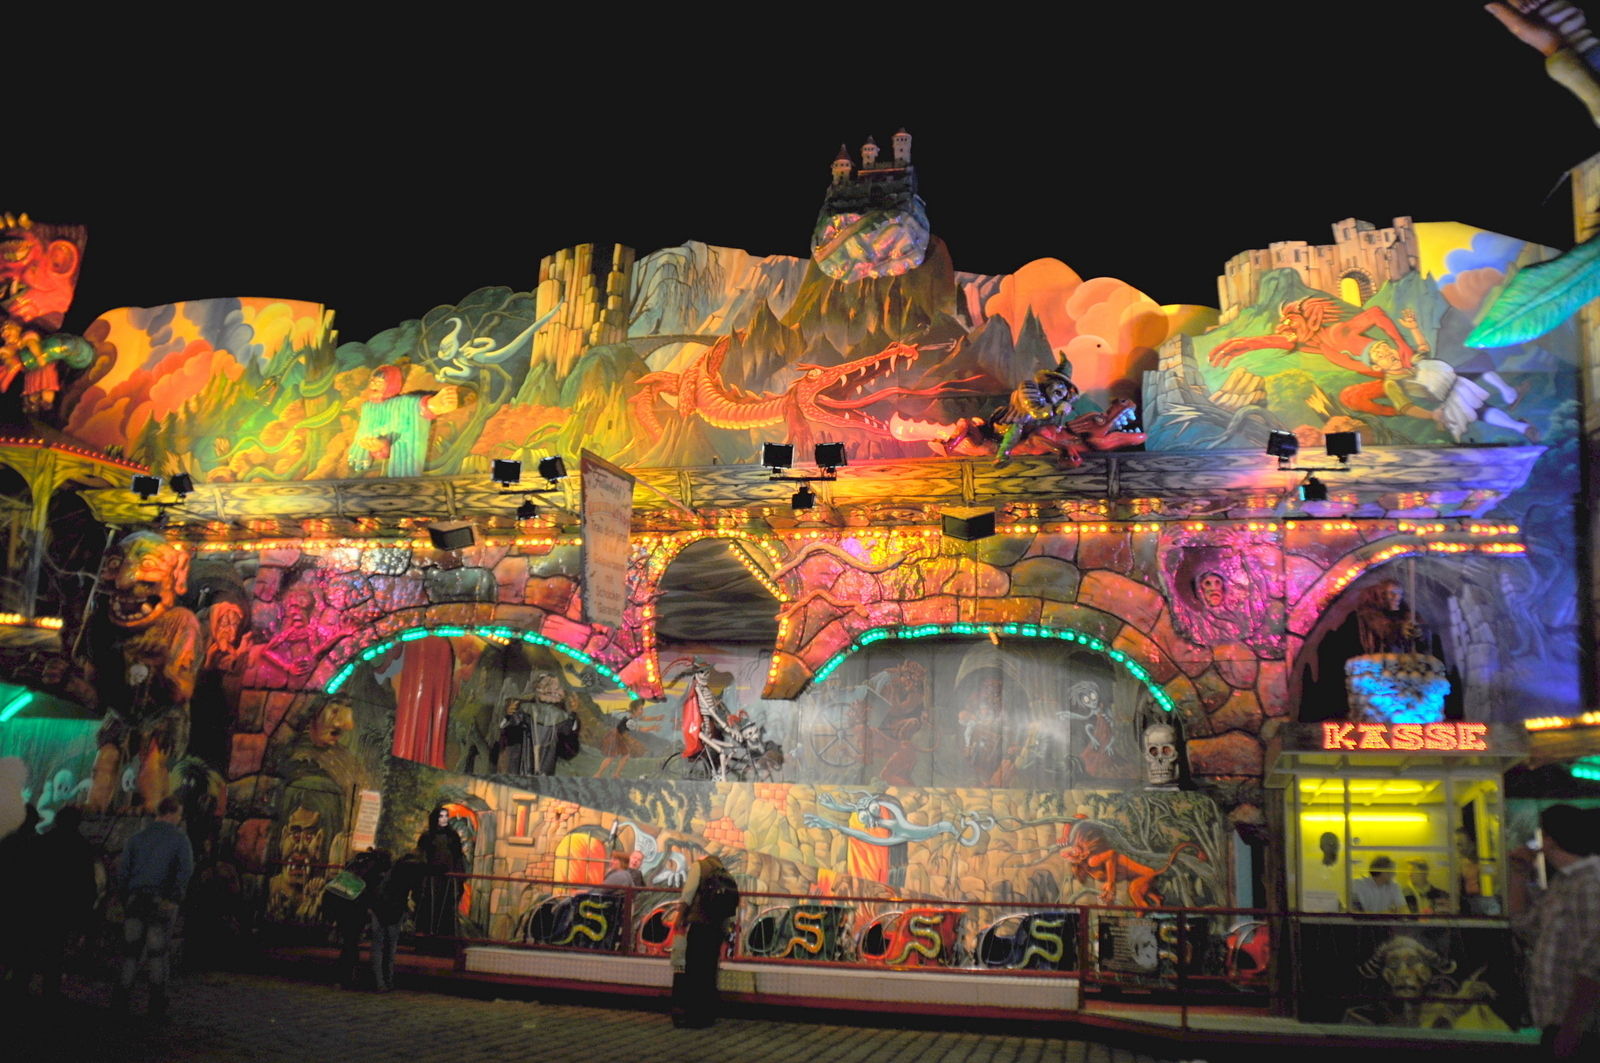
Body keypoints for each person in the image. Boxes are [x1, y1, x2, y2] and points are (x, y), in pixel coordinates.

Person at [1509, 804, 1600, 1059]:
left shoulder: (1591, 883)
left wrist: (1572, 1028)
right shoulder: (1564, 882)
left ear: (1549, 840)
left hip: (1581, 1028)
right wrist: (1518, 874)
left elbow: (1595, 963)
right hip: (1558, 1022)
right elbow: (1525, 925)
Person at [113, 796, 195, 1017]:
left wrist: (125, 897)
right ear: (173, 813)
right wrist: (174, 898)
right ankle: (156, 1005)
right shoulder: (180, 840)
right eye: (179, 814)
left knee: (131, 954)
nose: (180, 819)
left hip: (136, 899)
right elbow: (185, 871)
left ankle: (120, 1000)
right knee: (157, 954)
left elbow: (123, 871)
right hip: (162, 901)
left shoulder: (137, 838)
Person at [670, 853, 739, 1028]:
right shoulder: (725, 873)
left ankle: (694, 1016)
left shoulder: (700, 867)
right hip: (717, 927)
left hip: (700, 925)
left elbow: (688, 894)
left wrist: (679, 918)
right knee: (709, 970)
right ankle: (707, 1015)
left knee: (695, 969)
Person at [370, 851, 425, 992]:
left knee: (378, 946)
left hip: (378, 907)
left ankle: (379, 982)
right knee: (390, 947)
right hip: (395, 909)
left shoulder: (392, 870)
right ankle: (388, 980)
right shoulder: (414, 871)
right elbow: (416, 892)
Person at [414, 805, 465, 940]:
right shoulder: (427, 836)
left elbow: (458, 856)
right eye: (441, 816)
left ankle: (444, 938)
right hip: (431, 878)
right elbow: (421, 855)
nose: (444, 819)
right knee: (429, 907)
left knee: (446, 908)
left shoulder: (452, 836)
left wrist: (459, 877)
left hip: (448, 879)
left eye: (446, 816)